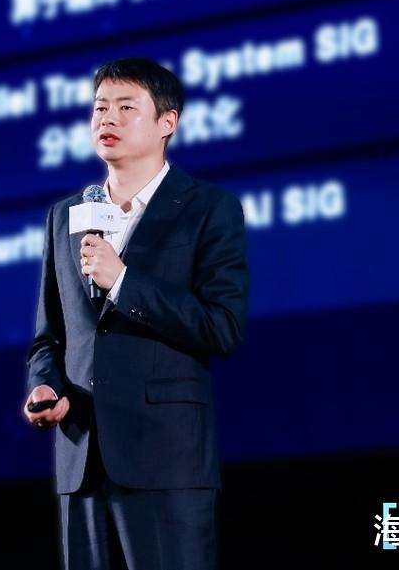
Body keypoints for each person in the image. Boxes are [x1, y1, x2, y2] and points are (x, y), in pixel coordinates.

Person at [24, 57, 249, 570]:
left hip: (165, 460)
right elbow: (49, 338)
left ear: (167, 122)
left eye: (126, 107)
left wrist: (124, 282)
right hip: (81, 460)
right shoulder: (66, 215)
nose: (108, 118)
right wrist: (45, 387)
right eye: (100, 107)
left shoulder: (208, 209)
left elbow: (223, 326)